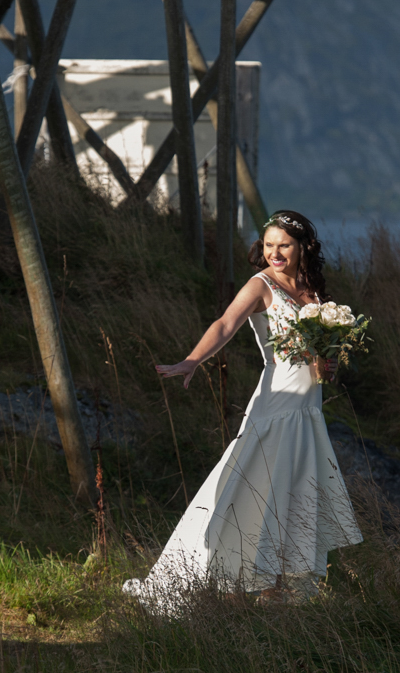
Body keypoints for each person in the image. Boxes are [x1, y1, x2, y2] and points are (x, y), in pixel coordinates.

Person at [124, 210, 362, 611]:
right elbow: (225, 324)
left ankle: (280, 585)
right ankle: (227, 575)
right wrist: (192, 361)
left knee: (295, 491)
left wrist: (328, 362)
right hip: (277, 406)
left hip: (308, 411)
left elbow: (320, 359)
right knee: (254, 486)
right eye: (268, 245)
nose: (275, 253)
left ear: (303, 247)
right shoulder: (261, 285)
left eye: (283, 245)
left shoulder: (313, 291)